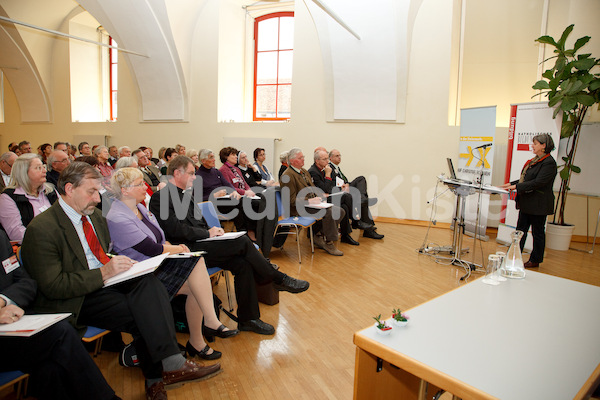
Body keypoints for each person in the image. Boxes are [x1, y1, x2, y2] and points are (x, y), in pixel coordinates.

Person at [20, 162, 221, 400]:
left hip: (105, 283)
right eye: (91, 192)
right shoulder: (42, 228)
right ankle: (160, 375)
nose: (98, 198)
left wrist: (122, 263)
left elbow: (103, 253)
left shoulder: (93, 215)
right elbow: (53, 286)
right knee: (144, 311)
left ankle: (166, 367)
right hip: (75, 298)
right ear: (69, 189)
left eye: (98, 191)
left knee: (148, 283)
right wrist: (104, 273)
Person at [149, 156, 310, 335]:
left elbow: (199, 224)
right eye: (191, 173)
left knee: (243, 264)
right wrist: (207, 233)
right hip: (186, 250)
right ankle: (276, 278)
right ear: (177, 173)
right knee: (242, 241)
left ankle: (248, 319)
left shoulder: (186, 195)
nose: (195, 177)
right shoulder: (160, 198)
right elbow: (174, 229)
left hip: (203, 243)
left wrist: (214, 230)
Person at [107, 168, 239, 360]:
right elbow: (150, 248)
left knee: (196, 278)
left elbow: (161, 238)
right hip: (140, 276)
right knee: (196, 264)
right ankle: (208, 325)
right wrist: (178, 249)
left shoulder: (140, 207)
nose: (145, 187)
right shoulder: (117, 216)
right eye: (139, 184)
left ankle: (198, 339)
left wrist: (173, 247)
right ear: (124, 189)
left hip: (157, 264)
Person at [0, 230, 120, 400]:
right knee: (60, 333)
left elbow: (25, 282)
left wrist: (3, 300)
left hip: (14, 329)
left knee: (50, 369)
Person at [500, 134, 557, 268]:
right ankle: (513, 256)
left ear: (543, 146)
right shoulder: (535, 160)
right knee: (520, 231)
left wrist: (517, 187)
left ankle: (535, 260)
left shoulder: (549, 163)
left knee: (537, 233)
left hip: (539, 204)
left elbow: (538, 182)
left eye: (535, 143)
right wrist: (509, 184)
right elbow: (525, 179)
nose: (533, 146)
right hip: (527, 202)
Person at [280, 148, 345, 256]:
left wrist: (319, 195)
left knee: (340, 211)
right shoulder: (287, 176)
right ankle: (329, 242)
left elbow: (312, 188)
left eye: (303, 157)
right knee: (329, 213)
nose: (303, 159)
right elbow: (290, 201)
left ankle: (318, 235)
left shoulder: (304, 171)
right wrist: (309, 201)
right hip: (298, 209)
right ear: (292, 161)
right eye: (300, 158)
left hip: (312, 205)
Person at [308, 150, 372, 246]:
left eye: (327, 159)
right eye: (324, 159)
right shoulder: (313, 171)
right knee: (346, 196)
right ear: (317, 161)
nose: (327, 161)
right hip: (321, 200)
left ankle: (345, 235)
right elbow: (326, 189)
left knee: (345, 207)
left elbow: (333, 185)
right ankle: (355, 221)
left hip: (330, 196)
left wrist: (340, 187)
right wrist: (328, 174)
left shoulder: (326, 168)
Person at [0, 154, 58, 243]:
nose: (44, 171)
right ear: (23, 172)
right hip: (33, 246)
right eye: (38, 168)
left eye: (43, 167)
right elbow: (16, 233)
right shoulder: (9, 197)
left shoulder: (50, 191)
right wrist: (48, 241)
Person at [328, 149, 383, 239]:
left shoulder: (337, 168)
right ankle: (368, 228)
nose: (339, 157)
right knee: (363, 201)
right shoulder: (329, 168)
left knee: (361, 179)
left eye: (340, 155)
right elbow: (332, 184)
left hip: (345, 187)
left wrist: (347, 184)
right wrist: (343, 186)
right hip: (340, 192)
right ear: (330, 158)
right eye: (336, 156)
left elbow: (343, 180)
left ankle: (362, 198)